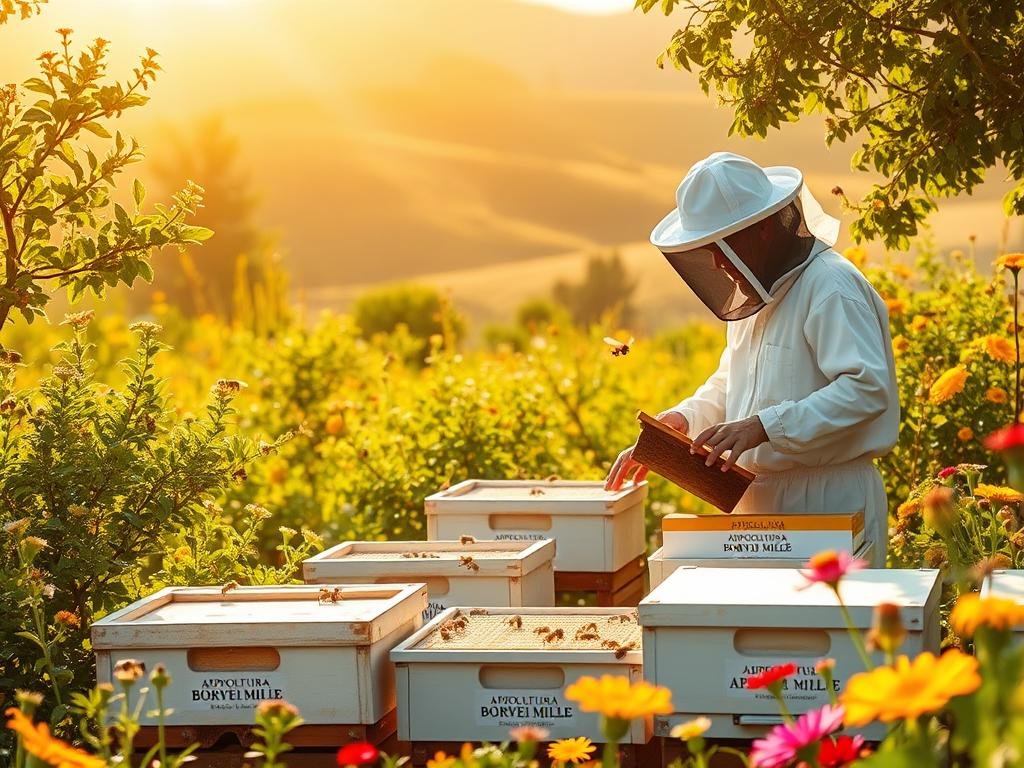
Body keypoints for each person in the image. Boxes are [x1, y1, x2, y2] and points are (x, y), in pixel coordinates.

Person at [604, 152, 898, 566]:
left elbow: (866, 389)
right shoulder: (756, 294)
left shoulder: (831, 286)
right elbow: (732, 381)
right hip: (758, 504)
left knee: (823, 629)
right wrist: (685, 419)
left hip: (828, 499)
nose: (719, 264)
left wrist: (765, 425)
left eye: (724, 246)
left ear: (760, 230)